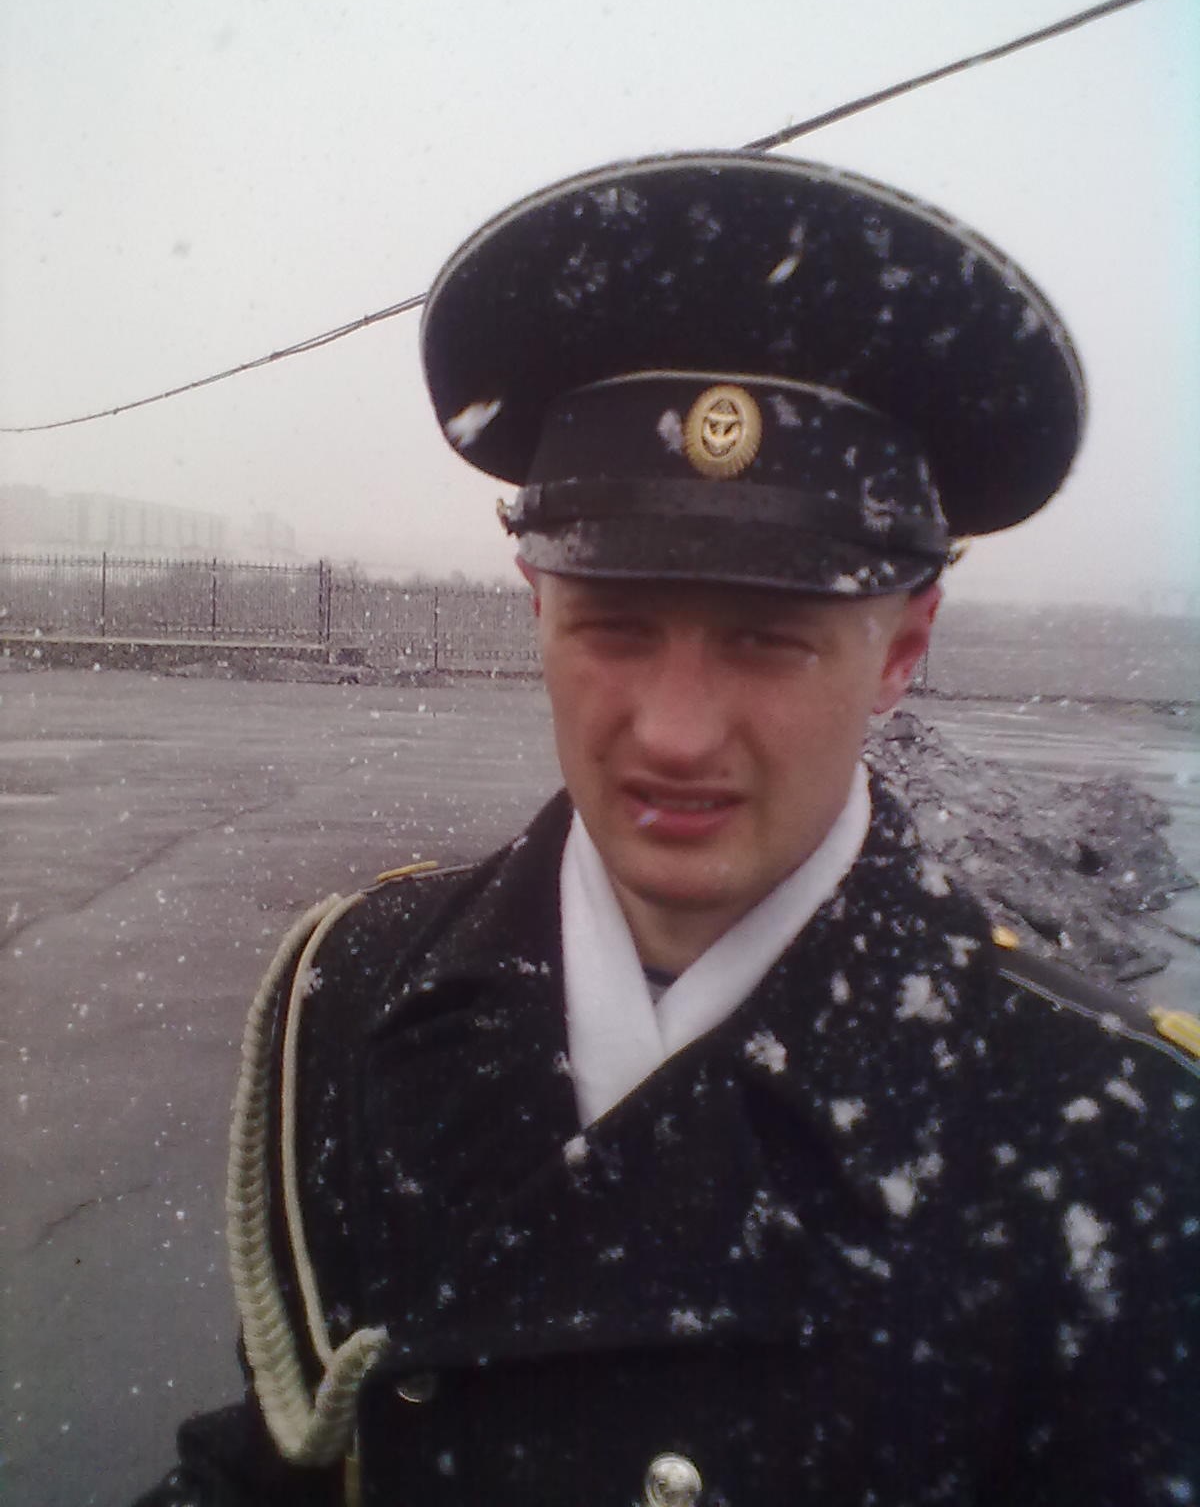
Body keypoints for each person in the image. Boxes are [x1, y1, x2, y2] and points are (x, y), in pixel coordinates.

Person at [136, 153, 1198, 1507]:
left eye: (766, 639)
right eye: (617, 626)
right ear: (537, 607)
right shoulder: (349, 993)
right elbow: (283, 1459)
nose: (678, 733)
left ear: (901, 649)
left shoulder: (1115, 1143)